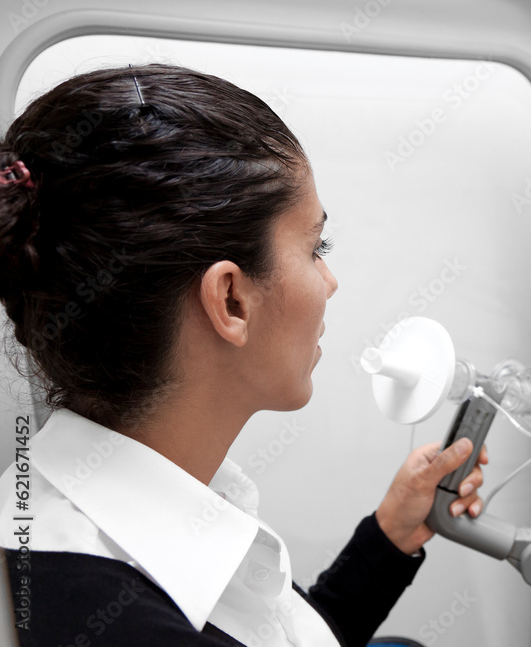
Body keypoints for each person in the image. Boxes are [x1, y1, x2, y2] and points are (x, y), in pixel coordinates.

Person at [0, 63, 487, 647]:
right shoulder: (115, 620)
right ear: (231, 299)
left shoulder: (100, 513)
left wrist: (391, 532)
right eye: (316, 248)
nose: (329, 282)